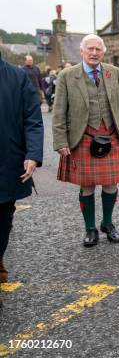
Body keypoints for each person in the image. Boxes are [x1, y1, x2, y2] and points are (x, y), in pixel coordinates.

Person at [52, 34, 119, 247]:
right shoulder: (67, 76)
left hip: (110, 136)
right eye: (90, 49)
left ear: (103, 52)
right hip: (83, 137)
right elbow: (59, 112)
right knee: (87, 186)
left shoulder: (113, 72)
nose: (94, 53)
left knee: (111, 184)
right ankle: (90, 228)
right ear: (82, 51)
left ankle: (107, 223)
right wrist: (61, 141)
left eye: (98, 49)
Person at [0, 51, 44, 283]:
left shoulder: (17, 77)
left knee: (4, 218)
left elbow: (33, 119)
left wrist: (33, 154)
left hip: (7, 161)